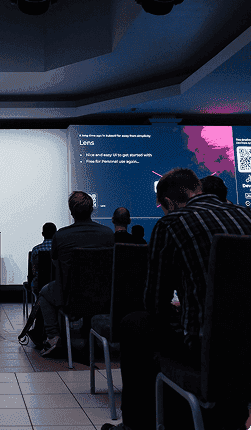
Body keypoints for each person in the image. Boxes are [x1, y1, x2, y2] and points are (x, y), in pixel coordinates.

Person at [102, 168, 251, 430]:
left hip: (209, 352)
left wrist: (181, 309)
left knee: (135, 323)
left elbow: (154, 302)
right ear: (198, 189)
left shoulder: (171, 223)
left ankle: (136, 424)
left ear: (169, 202)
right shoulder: (246, 215)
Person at [39, 191, 114, 356]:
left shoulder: (60, 235)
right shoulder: (108, 234)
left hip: (70, 298)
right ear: (92, 210)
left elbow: (56, 263)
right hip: (103, 297)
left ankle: (53, 337)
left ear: (71, 211)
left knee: (44, 292)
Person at [30, 222, 57, 295]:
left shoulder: (36, 250)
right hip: (58, 284)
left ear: (42, 234)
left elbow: (33, 270)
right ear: (55, 234)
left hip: (39, 285)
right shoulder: (60, 249)